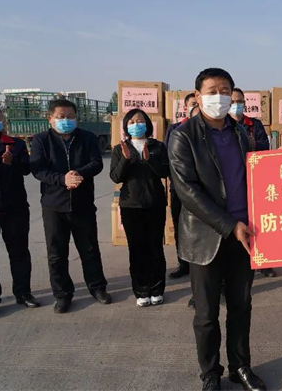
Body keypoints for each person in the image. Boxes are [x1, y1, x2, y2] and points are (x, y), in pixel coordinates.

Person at [168, 68, 266, 391]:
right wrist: (228, 225)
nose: (220, 97)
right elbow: (187, 192)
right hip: (205, 237)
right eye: (212, 91)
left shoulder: (240, 134)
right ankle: (210, 373)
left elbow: (255, 173)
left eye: (225, 91)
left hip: (244, 235)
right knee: (206, 314)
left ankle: (240, 367)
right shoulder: (183, 136)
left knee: (241, 306)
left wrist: (280, 163)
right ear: (198, 96)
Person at [30, 99, 111, 314]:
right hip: (54, 206)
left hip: (82, 203)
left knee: (89, 249)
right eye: (61, 117)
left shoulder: (87, 138)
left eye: (70, 117)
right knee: (57, 253)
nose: (66, 120)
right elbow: (38, 169)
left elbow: (96, 163)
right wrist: (62, 179)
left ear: (77, 119)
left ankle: (97, 288)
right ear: (50, 118)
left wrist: (78, 174)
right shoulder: (41, 140)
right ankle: (62, 295)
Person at [0, 105, 40, 320]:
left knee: (19, 253)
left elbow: (27, 169)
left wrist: (11, 162)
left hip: (14, 209)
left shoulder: (15, 144)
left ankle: (23, 292)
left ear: (3, 121)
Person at [110, 109, 170, 307]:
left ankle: (157, 289)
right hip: (131, 205)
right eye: (132, 121)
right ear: (126, 126)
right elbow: (116, 177)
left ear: (147, 124)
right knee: (136, 249)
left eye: (140, 120)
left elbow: (165, 171)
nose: (136, 124)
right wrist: (126, 159)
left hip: (155, 203)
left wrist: (149, 159)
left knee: (155, 247)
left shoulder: (158, 146)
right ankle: (141, 290)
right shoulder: (120, 149)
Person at [229, 88, 276, 278]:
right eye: (232, 102)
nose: (236, 105)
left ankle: (264, 262)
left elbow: (264, 149)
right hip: (233, 182)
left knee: (258, 222)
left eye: (239, 102)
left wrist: (253, 146)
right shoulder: (222, 126)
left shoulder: (254, 125)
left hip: (255, 181)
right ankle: (239, 264)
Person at [166, 93, 199, 282]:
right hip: (179, 188)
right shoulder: (175, 129)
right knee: (181, 226)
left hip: (203, 189)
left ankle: (200, 265)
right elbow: (169, 158)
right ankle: (183, 264)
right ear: (185, 108)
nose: (196, 107)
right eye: (192, 104)